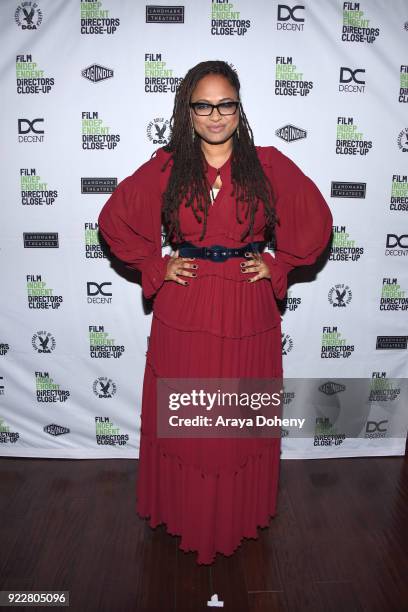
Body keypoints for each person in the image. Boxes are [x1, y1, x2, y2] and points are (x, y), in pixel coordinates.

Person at [97, 60, 333, 565]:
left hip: (247, 307)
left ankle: (234, 517)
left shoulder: (267, 164)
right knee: (189, 422)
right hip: (185, 304)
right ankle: (187, 515)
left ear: (239, 106)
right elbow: (114, 219)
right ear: (188, 109)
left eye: (225, 104)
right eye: (203, 105)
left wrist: (280, 263)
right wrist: (154, 265)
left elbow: (315, 220)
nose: (215, 115)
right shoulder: (167, 165)